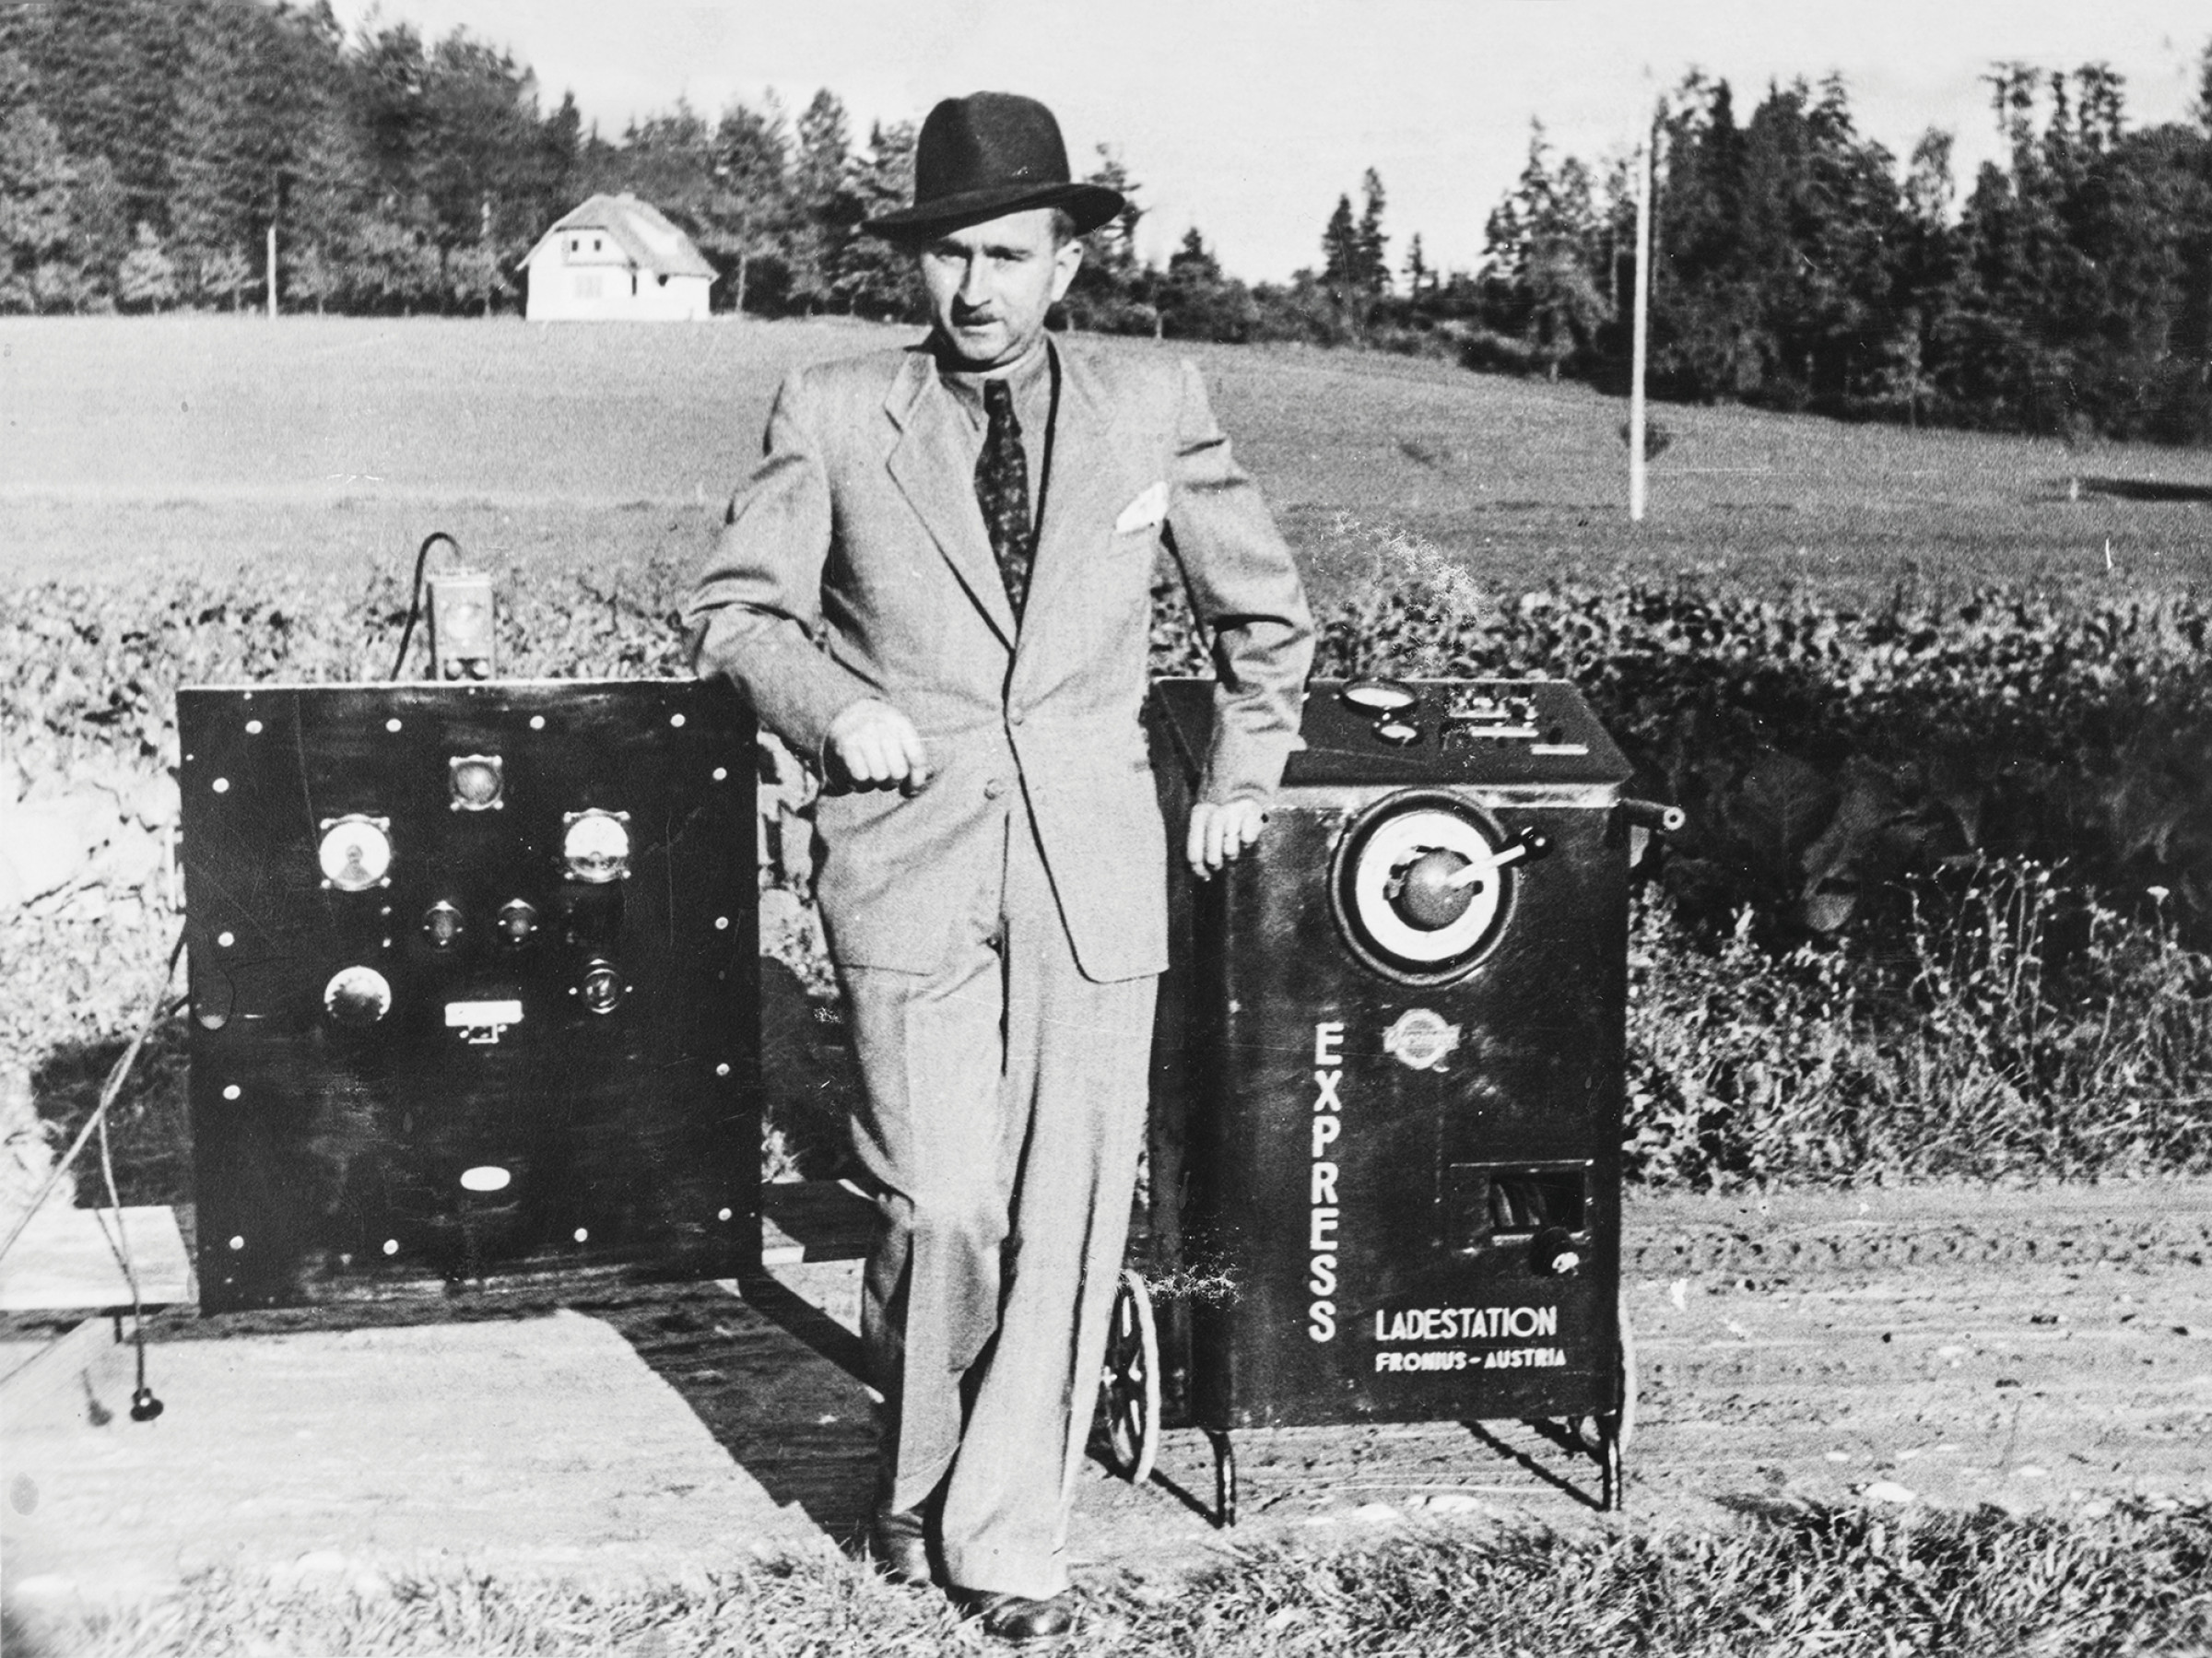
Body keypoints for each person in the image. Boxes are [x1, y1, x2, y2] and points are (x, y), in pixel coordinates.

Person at [686, 90, 1312, 1642]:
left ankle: (1008, 1539)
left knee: (1071, 1216)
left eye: (1010, 254)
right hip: (908, 862)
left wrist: (1239, 777)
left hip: (1096, 871)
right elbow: (740, 615)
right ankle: (913, 1487)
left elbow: (1264, 621)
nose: (977, 288)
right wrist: (835, 710)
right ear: (918, 264)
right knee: (942, 1201)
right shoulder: (835, 409)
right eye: (951, 255)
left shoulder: (1154, 403)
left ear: (1067, 263)